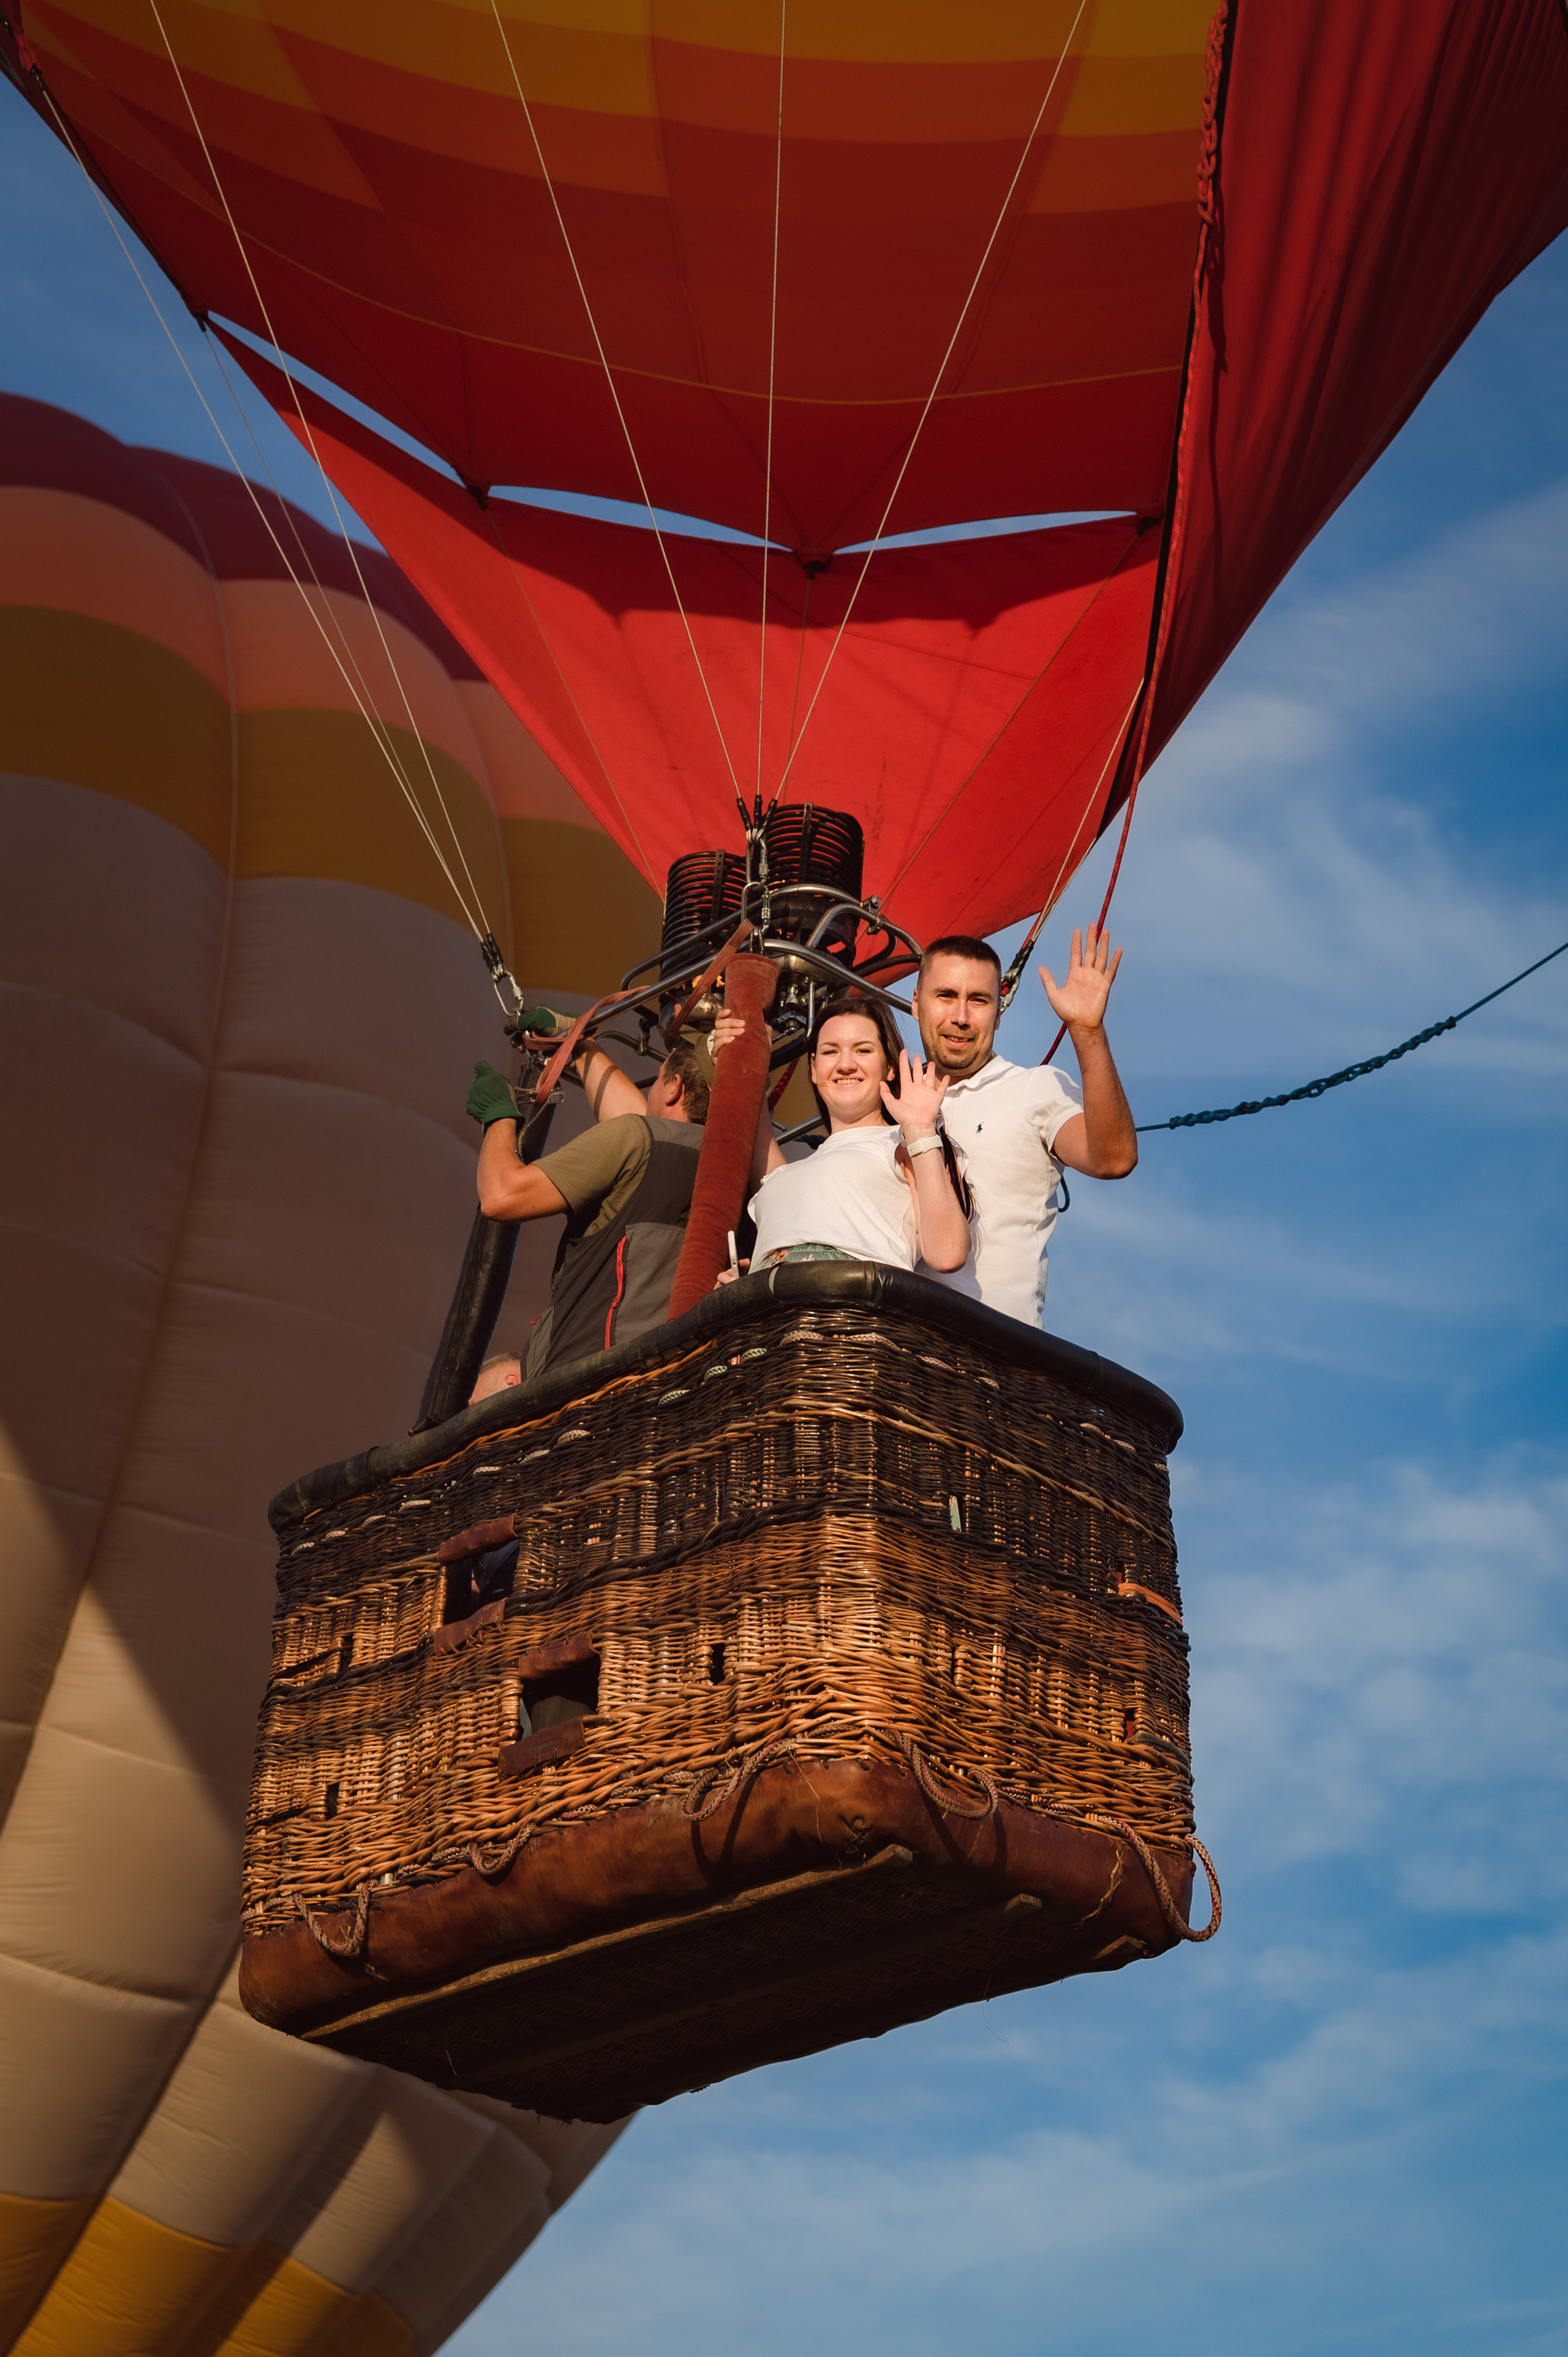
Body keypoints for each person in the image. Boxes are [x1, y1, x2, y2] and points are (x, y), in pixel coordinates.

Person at [909, 926, 1137, 1326]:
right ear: (916, 1004)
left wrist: (1086, 1031)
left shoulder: (1035, 1089)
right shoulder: (894, 1103)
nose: (960, 1017)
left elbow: (1114, 1159)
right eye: (946, 996)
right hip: (898, 1347)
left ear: (999, 1013)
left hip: (992, 1351)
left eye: (978, 1001)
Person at [467, 1030, 711, 1375]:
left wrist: (498, 1118)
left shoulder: (638, 1140)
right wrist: (581, 1047)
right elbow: (646, 1130)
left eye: (658, 1081)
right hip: (665, 1379)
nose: (650, 1093)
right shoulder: (727, 1166)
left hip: (585, 1378)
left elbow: (501, 1196)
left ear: (674, 1088)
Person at [717, 989, 970, 1279]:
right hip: (769, 1318)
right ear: (813, 1069)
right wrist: (735, 1049)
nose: (846, 1064)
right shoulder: (784, 1176)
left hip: (845, 1316)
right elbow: (752, 1112)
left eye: (863, 1050)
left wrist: (921, 1129)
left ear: (889, 1067)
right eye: (830, 1051)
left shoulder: (907, 1145)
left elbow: (948, 1254)